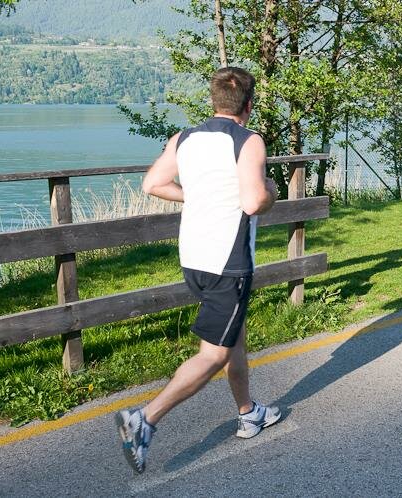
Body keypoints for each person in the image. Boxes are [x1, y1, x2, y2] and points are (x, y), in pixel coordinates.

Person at [115, 66, 280, 474]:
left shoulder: (184, 138)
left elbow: (153, 184)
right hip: (228, 263)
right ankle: (144, 420)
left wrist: (199, 195)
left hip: (193, 258)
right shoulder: (249, 140)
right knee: (213, 354)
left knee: (234, 337)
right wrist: (271, 192)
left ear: (213, 101)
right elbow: (254, 202)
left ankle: (248, 413)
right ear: (249, 104)